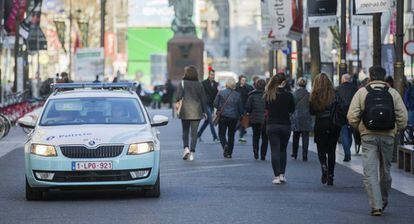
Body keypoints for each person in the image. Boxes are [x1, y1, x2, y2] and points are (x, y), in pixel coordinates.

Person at [347, 66, 407, 216]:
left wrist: (361, 128)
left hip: (368, 136)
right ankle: (384, 198)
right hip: (388, 135)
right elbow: (403, 118)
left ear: (370, 77)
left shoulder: (362, 92)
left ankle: (376, 205)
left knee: (370, 172)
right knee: (385, 171)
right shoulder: (393, 93)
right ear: (385, 77)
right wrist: (395, 129)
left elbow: (351, 116)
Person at [310, 73, 341, 186]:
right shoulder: (334, 93)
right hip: (333, 124)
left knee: (321, 149)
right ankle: (331, 175)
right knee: (332, 150)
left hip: (320, 124)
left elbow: (311, 111)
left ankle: (324, 166)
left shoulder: (314, 95)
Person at [264, 73, 295, 185]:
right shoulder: (289, 95)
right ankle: (282, 174)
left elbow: (266, 109)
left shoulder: (269, 95)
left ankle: (276, 175)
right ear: (284, 82)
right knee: (283, 150)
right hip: (285, 125)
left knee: (274, 150)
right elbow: (292, 110)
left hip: (272, 125)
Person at [175, 66, 207, 161]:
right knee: (194, 133)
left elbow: (178, 96)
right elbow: (203, 99)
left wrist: (178, 101)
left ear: (187, 73)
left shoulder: (183, 83)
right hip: (197, 111)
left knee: (185, 131)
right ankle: (192, 152)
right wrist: (205, 111)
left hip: (185, 110)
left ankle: (186, 149)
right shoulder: (199, 84)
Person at [214, 78, 243, 159]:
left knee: (221, 134)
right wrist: (241, 115)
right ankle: (229, 153)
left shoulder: (221, 92)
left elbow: (215, 104)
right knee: (231, 135)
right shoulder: (237, 95)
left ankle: (225, 145)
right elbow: (240, 108)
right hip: (233, 117)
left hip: (223, 116)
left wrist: (220, 107)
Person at [336, 74, 358, 162]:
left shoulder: (338, 88)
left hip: (342, 114)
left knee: (344, 133)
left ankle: (347, 153)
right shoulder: (355, 88)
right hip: (353, 113)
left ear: (343, 79)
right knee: (350, 134)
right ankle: (348, 149)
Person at [246, 79, 268, 160]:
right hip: (265, 119)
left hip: (254, 119)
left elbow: (248, 108)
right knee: (265, 137)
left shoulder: (251, 95)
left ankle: (255, 151)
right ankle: (263, 154)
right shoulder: (267, 95)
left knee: (256, 136)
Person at [291, 78, 312, 161]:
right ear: (306, 84)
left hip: (296, 117)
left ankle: (295, 153)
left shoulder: (294, 94)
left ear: (298, 84)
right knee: (305, 136)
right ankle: (305, 155)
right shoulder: (309, 94)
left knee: (295, 136)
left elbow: (291, 105)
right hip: (306, 116)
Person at [197, 69, 219, 142]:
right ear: (208, 75)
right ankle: (215, 137)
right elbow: (201, 94)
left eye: (213, 75)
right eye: (211, 75)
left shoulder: (216, 84)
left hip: (212, 104)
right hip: (205, 104)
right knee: (211, 120)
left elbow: (217, 95)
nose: (213, 76)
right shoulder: (203, 83)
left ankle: (198, 134)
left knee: (207, 121)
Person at [235, 75, 254, 143]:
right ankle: (234, 133)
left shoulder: (248, 87)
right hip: (237, 107)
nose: (244, 81)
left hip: (245, 107)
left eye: (245, 80)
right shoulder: (236, 87)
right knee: (238, 122)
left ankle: (241, 137)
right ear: (240, 80)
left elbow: (252, 93)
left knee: (243, 122)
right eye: (243, 80)